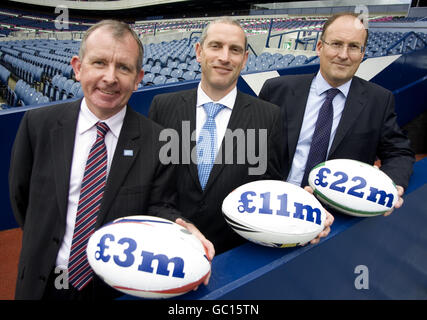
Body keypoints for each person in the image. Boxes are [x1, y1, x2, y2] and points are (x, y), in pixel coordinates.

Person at [9, 20, 214, 300]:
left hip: (113, 288)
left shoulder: (158, 140)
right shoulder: (38, 125)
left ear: (138, 77)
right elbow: (22, 199)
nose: (110, 77)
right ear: (78, 67)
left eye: (124, 67)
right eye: (99, 63)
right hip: (42, 282)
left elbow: (158, 206)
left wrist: (179, 226)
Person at [149, 17, 333, 254]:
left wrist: (303, 211)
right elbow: (155, 186)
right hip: (171, 245)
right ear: (199, 51)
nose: (224, 57)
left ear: (245, 59)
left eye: (234, 50)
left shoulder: (269, 116)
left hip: (237, 251)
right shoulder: (163, 107)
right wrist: (179, 225)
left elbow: (269, 186)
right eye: (215, 46)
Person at [259, 13, 415, 216]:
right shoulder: (277, 90)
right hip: (272, 204)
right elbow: (255, 147)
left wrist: (391, 185)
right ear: (319, 47)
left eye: (353, 47)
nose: (343, 55)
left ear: (362, 53)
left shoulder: (379, 100)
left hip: (336, 214)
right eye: (336, 44)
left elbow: (399, 152)